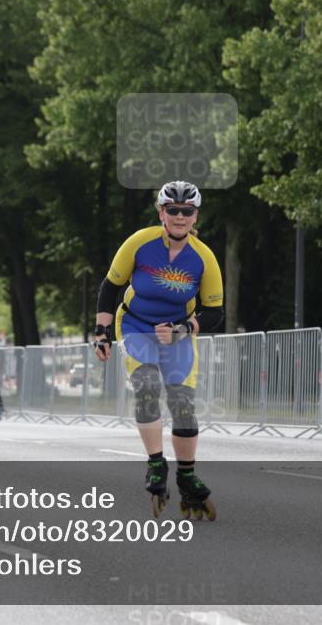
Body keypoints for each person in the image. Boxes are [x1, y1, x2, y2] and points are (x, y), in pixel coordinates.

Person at [93, 181, 223, 520]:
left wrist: (183, 330)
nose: (180, 217)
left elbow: (214, 312)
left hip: (177, 334)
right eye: (173, 210)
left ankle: (187, 475)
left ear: (196, 215)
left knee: (183, 405)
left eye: (187, 211)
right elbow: (110, 287)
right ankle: (155, 464)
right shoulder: (139, 243)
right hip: (136, 325)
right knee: (147, 386)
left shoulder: (204, 257)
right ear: (161, 211)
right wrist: (102, 333)